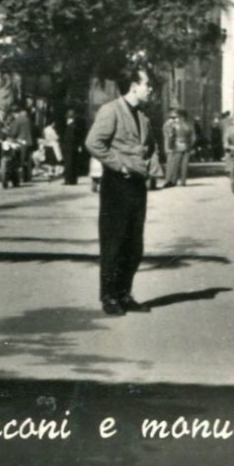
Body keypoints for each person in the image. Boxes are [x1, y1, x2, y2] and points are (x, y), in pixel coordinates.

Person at [85, 68, 160, 315]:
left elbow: (150, 147)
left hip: (137, 186)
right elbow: (93, 143)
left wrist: (151, 166)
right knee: (113, 243)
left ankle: (124, 293)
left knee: (134, 246)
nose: (151, 90)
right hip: (116, 185)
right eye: (148, 85)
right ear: (134, 86)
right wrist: (119, 165)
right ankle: (108, 296)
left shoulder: (144, 118)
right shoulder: (111, 110)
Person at [163, 108, 194, 187]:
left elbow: (170, 136)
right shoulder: (189, 125)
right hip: (186, 146)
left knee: (175, 164)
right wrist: (190, 145)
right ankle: (183, 181)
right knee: (184, 165)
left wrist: (169, 147)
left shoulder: (174, 125)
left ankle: (173, 180)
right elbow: (193, 137)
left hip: (177, 146)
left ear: (179, 116)